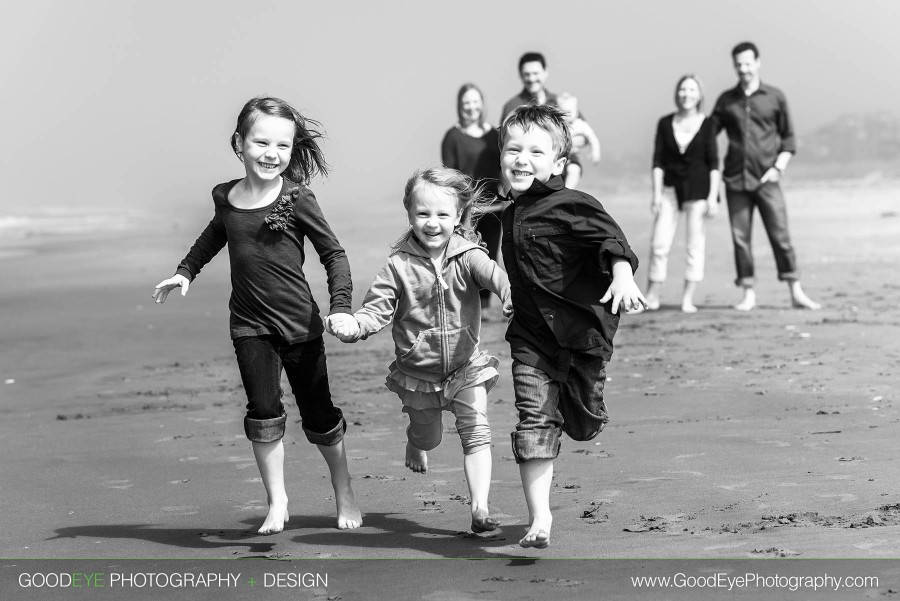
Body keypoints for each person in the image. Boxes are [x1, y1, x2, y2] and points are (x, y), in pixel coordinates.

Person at [152, 96, 362, 535]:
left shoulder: (298, 198)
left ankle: (343, 488)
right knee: (263, 413)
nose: (272, 154)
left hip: (301, 327)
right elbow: (215, 236)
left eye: (283, 146)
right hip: (249, 326)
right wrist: (185, 272)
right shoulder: (226, 198)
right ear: (239, 144)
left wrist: (340, 306)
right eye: (262, 142)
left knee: (319, 416)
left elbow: (334, 255)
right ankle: (277, 500)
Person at [327, 167, 512, 534]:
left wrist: (510, 296)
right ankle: (416, 443)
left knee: (477, 431)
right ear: (409, 212)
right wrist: (354, 325)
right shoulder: (398, 265)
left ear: (458, 216)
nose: (432, 223)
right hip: (419, 374)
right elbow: (375, 309)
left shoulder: (469, 256)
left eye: (443, 214)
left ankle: (480, 509)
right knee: (430, 437)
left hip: (466, 365)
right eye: (423, 213)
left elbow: (496, 276)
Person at [498, 104, 646, 549]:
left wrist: (622, 275)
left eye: (536, 152)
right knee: (534, 421)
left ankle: (583, 408)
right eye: (513, 149)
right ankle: (539, 519)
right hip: (530, 339)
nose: (522, 159)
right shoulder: (508, 211)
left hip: (581, 336)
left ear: (560, 164)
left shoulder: (573, 204)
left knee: (582, 425)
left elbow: (611, 240)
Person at [712, 41, 821, 311]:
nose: (743, 69)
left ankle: (796, 291)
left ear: (758, 62)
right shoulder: (726, 100)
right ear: (734, 66)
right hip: (736, 180)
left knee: (780, 236)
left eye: (748, 63)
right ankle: (748, 293)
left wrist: (778, 168)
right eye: (738, 64)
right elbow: (707, 135)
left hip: (768, 179)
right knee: (741, 239)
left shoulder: (775, 96)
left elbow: (789, 138)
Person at [645, 74, 721, 313]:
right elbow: (657, 161)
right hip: (669, 189)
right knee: (659, 243)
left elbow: (714, 163)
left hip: (699, 191)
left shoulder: (708, 124)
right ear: (677, 93)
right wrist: (656, 194)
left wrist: (713, 197)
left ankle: (687, 298)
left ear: (699, 95)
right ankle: (652, 295)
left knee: (694, 246)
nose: (686, 94)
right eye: (682, 90)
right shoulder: (665, 123)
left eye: (691, 90)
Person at [441, 83, 504, 309]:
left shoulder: (494, 135)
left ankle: (485, 308)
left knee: (489, 258)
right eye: (466, 102)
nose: (471, 107)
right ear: (460, 105)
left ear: (482, 104)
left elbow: (503, 169)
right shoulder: (452, 137)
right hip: (467, 211)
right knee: (466, 257)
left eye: (475, 101)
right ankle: (469, 306)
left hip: (495, 209)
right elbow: (449, 177)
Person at [501, 52, 565, 122]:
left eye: (535, 73)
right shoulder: (512, 107)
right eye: (527, 74)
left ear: (546, 71)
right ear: (520, 75)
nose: (531, 79)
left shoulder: (560, 103)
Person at [556, 93, 601, 189]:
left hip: (571, 157)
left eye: (569, 112)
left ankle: (567, 192)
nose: (566, 115)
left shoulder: (581, 125)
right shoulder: (556, 125)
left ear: (576, 112)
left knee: (574, 170)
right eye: (563, 112)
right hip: (555, 158)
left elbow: (592, 138)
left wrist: (595, 153)